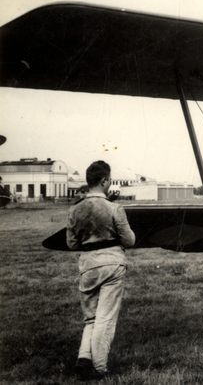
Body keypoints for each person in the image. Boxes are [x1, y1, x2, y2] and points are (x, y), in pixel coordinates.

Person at [66, 161, 135, 380]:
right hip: (112, 264)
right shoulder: (114, 208)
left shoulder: (75, 209)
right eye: (110, 180)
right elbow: (129, 240)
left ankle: (83, 359)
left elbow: (71, 244)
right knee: (106, 318)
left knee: (91, 318)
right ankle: (100, 368)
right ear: (104, 181)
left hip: (87, 266)